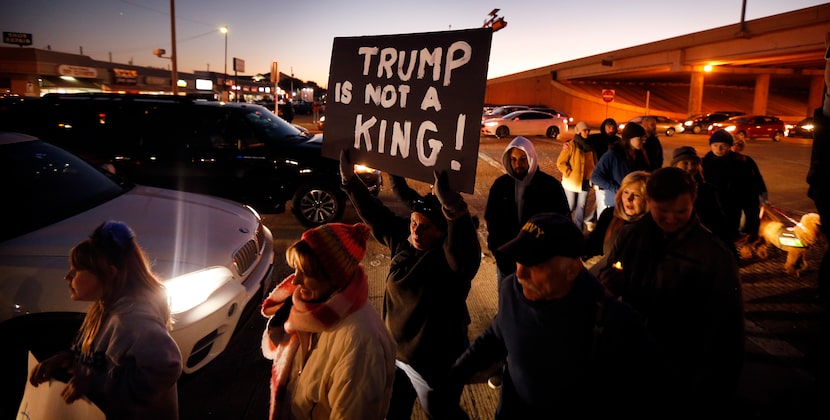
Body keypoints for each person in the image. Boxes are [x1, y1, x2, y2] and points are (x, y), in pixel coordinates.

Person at [445, 212, 658, 418]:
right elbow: (498, 333)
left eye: (535, 264)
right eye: (520, 260)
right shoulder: (511, 289)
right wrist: (457, 373)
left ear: (572, 270)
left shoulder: (614, 320)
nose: (520, 273)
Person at [339, 150, 481, 420]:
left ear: (442, 232)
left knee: (442, 413)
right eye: (414, 223)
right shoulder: (403, 242)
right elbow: (376, 215)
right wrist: (349, 181)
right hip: (397, 356)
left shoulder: (450, 261)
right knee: (393, 412)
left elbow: (465, 256)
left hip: (436, 365)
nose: (416, 231)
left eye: (425, 227)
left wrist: (453, 207)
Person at [596, 167, 745, 414]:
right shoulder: (632, 237)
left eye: (681, 211)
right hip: (637, 361)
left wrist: (719, 394)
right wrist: (614, 281)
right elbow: (615, 273)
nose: (671, 219)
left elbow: (730, 331)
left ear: (693, 203)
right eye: (662, 211)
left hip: (687, 368)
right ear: (650, 202)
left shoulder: (713, 255)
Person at [28, 221, 182, 419]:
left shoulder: (132, 318)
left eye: (76, 270)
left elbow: (167, 367)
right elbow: (97, 357)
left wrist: (96, 383)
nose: (67, 277)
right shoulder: (103, 307)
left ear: (109, 273)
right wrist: (66, 358)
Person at [260, 222, 397, 420]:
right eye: (296, 269)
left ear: (335, 279)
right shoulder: (304, 312)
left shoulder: (362, 344)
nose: (296, 281)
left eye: (307, 273)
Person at [486, 136, 569, 284]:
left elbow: (562, 221)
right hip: (506, 261)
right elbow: (491, 219)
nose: (518, 164)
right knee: (508, 303)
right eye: (514, 159)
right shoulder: (500, 186)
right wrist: (496, 248)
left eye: (523, 159)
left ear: (531, 158)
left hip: (539, 263)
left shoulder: (550, 186)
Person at [701, 130, 767, 242]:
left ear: (730, 146)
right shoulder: (704, 163)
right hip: (713, 205)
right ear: (710, 145)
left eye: (723, 146)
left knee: (731, 231)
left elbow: (756, 180)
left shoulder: (743, 161)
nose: (719, 149)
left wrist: (763, 196)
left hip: (735, 204)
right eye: (715, 145)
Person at [670, 145, 735, 255]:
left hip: (704, 243)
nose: (690, 167)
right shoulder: (668, 189)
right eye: (685, 163)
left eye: (694, 163)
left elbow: (719, 221)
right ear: (676, 165)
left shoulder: (707, 190)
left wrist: (730, 251)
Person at [583, 170, 650, 271]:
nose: (629, 198)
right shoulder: (609, 214)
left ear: (647, 199)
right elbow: (594, 244)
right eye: (626, 192)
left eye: (636, 195)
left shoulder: (649, 228)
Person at [590, 122, 651, 216]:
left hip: (634, 206)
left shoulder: (640, 155)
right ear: (629, 139)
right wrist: (617, 189)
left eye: (644, 138)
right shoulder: (613, 155)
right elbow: (595, 177)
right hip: (616, 205)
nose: (644, 141)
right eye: (640, 138)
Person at [557, 121, 597, 232]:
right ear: (579, 131)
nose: (587, 132)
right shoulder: (571, 145)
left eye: (588, 130)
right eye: (584, 130)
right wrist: (568, 172)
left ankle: (577, 230)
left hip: (585, 181)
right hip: (572, 182)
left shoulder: (591, 146)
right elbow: (560, 162)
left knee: (581, 206)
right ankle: (561, 224)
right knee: (571, 205)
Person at [585, 118, 621, 225]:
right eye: (609, 127)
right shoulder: (597, 138)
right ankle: (600, 225)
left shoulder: (618, 141)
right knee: (602, 203)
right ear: (604, 127)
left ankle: (590, 219)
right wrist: (568, 143)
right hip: (601, 176)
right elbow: (581, 139)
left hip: (613, 177)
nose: (611, 129)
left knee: (602, 203)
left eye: (613, 127)